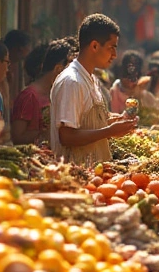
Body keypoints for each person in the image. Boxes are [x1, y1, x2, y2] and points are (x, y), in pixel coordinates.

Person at [51, 15, 138, 165]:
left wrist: (116, 122)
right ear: (95, 46)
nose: (114, 55)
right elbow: (66, 137)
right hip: (75, 176)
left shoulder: (92, 79)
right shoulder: (72, 82)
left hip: (95, 174)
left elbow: (88, 123)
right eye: (111, 48)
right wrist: (110, 131)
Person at [12, 40, 74, 146]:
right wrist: (49, 131)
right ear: (58, 69)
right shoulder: (28, 96)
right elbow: (17, 138)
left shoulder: (57, 95)